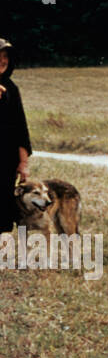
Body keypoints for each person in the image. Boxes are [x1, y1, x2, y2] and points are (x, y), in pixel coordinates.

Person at [0, 38, 33, 233]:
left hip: (5, 162)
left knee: (2, 209)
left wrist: (23, 164)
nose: (3, 61)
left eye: (5, 57)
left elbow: (21, 130)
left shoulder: (12, 89)